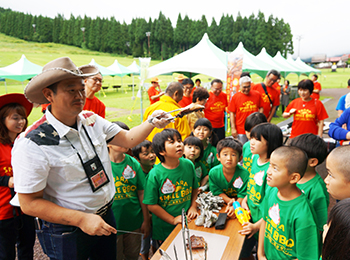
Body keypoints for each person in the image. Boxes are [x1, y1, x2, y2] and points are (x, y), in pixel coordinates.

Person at [12, 57, 171, 260]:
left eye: (81, 89)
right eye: (71, 90)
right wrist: (80, 219)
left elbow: (128, 139)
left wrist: (151, 122)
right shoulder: (32, 142)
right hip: (68, 228)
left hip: (105, 215)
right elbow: (29, 203)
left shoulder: (91, 119)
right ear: (48, 94)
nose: (80, 95)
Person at [257, 146, 320, 260]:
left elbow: (305, 257)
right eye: (270, 164)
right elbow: (265, 221)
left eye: (275, 168)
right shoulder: (272, 191)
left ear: (294, 178)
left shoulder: (303, 215)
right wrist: (260, 254)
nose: (268, 171)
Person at [143, 129, 199, 245]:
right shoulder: (155, 174)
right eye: (172, 142)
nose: (179, 144)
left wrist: (193, 206)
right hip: (164, 229)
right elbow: (151, 205)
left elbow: (194, 189)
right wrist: (172, 219)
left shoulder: (188, 165)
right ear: (162, 151)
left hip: (189, 222)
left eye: (179, 140)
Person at [239, 123, 283, 260]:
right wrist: (246, 199)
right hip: (250, 218)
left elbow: (272, 206)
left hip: (262, 224)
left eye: (257, 139)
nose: (251, 142)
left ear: (270, 143)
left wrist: (256, 226)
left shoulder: (271, 170)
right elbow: (252, 184)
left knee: (262, 253)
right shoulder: (255, 159)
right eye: (251, 138)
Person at [0, 93, 35, 260]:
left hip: (27, 206)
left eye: (23, 117)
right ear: (2, 120)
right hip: (3, 210)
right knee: (6, 252)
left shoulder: (26, 142)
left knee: (27, 247)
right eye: (15, 118)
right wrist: (7, 180)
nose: (21, 121)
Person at [108, 121, 150, 260]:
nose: (124, 141)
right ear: (107, 142)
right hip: (112, 225)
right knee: (115, 255)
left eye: (126, 136)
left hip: (133, 222)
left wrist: (145, 220)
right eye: (118, 138)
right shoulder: (101, 165)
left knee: (132, 255)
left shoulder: (134, 163)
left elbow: (141, 192)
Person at [289, 134, 329, 233]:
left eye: (295, 155)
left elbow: (320, 224)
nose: (289, 158)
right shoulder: (291, 175)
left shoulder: (317, 189)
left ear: (312, 162)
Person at [131, 140, 156, 260]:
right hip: (144, 216)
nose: (152, 156)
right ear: (137, 159)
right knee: (144, 243)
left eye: (152, 152)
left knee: (156, 241)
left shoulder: (157, 171)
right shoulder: (137, 175)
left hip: (156, 215)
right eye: (146, 154)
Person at [209, 138, 248, 207]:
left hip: (241, 204)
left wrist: (236, 206)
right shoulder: (213, 173)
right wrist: (230, 201)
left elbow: (243, 195)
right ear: (218, 157)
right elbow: (217, 192)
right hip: (222, 203)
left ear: (240, 158)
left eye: (233, 155)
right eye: (225, 154)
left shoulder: (245, 174)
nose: (229, 158)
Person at [228, 75, 263, 144]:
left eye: (248, 86)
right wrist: (233, 128)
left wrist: (260, 118)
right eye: (244, 87)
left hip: (255, 127)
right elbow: (232, 113)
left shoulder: (257, 94)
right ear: (240, 86)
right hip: (241, 128)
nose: (246, 89)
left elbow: (261, 107)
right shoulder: (235, 97)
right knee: (242, 147)